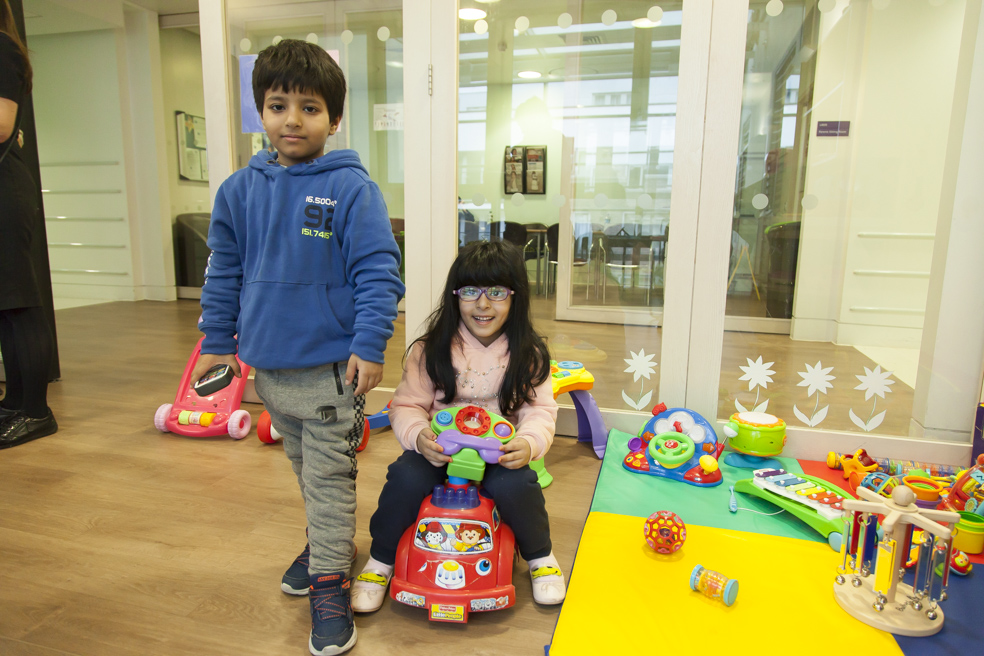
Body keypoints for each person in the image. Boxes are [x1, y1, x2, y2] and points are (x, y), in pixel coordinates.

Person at [192, 39, 404, 656]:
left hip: (332, 370)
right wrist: (216, 343)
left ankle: (330, 584)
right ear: (260, 110)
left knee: (331, 479)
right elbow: (223, 271)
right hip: (269, 371)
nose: (292, 119)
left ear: (333, 119)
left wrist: (369, 345)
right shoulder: (238, 191)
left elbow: (377, 271)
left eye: (309, 108)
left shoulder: (351, 190)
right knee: (306, 472)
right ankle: (327, 544)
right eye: (278, 104)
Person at [350, 240, 567, 614]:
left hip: (498, 453)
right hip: (438, 451)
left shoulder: (528, 354)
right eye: (470, 291)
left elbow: (541, 411)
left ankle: (539, 555)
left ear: (516, 298)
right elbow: (406, 405)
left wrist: (528, 444)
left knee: (518, 485)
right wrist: (420, 436)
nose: (483, 304)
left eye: (497, 292)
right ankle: (381, 559)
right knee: (403, 479)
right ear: (455, 297)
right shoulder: (430, 350)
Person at [0, 0, 58, 449]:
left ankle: (36, 412)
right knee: (4, 305)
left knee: (20, 302)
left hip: (6, 189)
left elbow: (2, 125)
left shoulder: (2, 49)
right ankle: (14, 402)